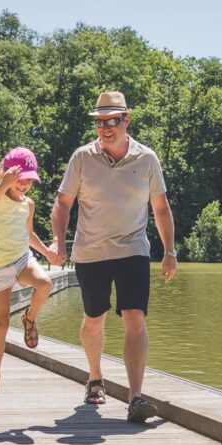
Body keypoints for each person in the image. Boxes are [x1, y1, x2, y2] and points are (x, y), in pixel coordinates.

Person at [48, 91, 177, 424]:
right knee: (95, 317)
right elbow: (63, 203)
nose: (105, 128)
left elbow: (160, 207)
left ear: (126, 120)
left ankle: (135, 397)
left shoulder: (147, 159)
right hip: (90, 251)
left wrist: (170, 251)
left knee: (135, 317)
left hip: (133, 249)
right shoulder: (81, 157)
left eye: (112, 121)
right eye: (99, 122)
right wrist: (60, 242)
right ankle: (94, 378)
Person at [0, 146, 57, 411]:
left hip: (21, 259)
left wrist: (46, 251)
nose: (25, 185)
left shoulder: (29, 204)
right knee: (0, 325)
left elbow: (28, 233)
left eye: (29, 181)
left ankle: (29, 318)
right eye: (21, 178)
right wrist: (4, 184)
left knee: (45, 284)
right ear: (9, 174)